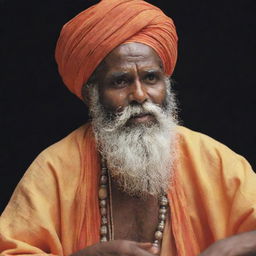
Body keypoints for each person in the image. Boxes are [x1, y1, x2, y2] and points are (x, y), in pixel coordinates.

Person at [0, 0, 256, 255]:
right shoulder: (54, 169)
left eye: (151, 78)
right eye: (120, 81)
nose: (140, 95)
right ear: (92, 95)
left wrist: (231, 247)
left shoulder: (213, 160)